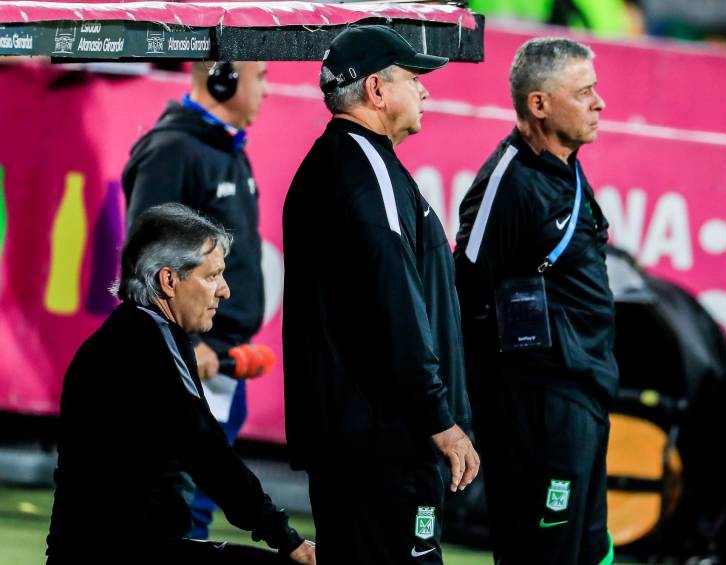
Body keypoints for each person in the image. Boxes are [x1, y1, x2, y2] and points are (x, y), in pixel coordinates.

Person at [282, 25, 480, 565]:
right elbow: (394, 304)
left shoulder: (347, 165)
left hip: (362, 439)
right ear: (376, 89)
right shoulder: (365, 169)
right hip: (384, 442)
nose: (425, 91)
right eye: (414, 79)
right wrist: (440, 418)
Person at [46, 204, 315, 565]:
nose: (224, 291)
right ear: (169, 280)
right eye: (212, 276)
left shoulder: (122, 336)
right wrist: (287, 538)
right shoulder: (152, 341)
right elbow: (207, 452)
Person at [453, 37, 614, 564]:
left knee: (586, 550)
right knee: (544, 553)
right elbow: (465, 289)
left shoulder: (565, 166)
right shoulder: (509, 181)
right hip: (539, 405)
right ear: (539, 105)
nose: (600, 102)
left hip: (582, 394)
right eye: (584, 91)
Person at [122, 60, 268, 538]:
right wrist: (184, 348)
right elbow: (144, 265)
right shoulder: (172, 151)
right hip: (191, 362)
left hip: (223, 365)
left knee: (198, 507)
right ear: (223, 77)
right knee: (178, 514)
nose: (267, 89)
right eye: (260, 75)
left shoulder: (229, 150)